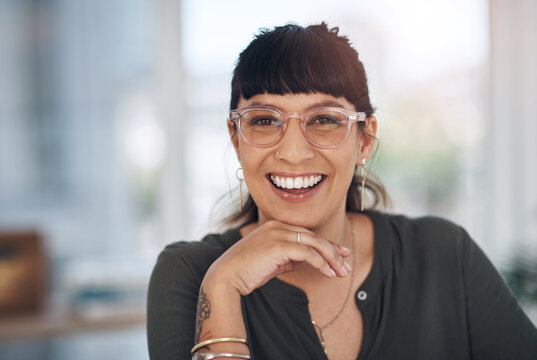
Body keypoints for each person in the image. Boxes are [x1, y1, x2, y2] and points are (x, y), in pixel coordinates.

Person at [147, 23, 537, 360]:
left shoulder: (443, 253)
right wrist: (224, 287)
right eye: (265, 120)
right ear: (237, 139)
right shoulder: (191, 274)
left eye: (325, 120)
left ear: (364, 141)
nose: (294, 153)